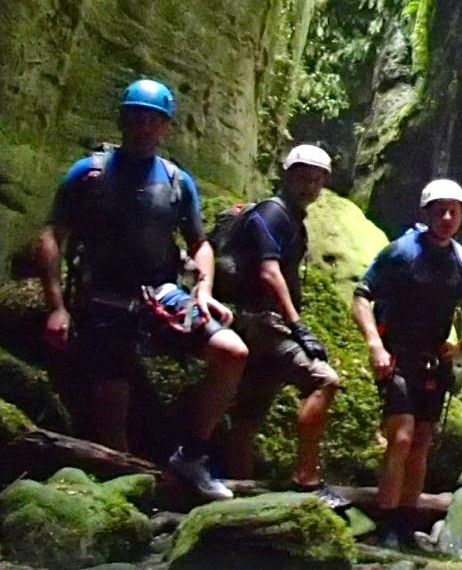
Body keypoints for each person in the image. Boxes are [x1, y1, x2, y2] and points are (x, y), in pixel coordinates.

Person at [33, 79, 248, 500]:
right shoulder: (89, 174)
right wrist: (56, 306)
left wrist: (203, 291)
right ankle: (126, 491)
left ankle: (192, 455)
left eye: (153, 120)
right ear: (122, 119)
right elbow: (50, 236)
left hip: (160, 294)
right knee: (113, 403)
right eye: (136, 117)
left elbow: (199, 243)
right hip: (103, 298)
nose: (144, 127)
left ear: (165, 127)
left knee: (231, 351)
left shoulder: (175, 181)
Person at [352, 179, 462, 550]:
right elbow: (362, 296)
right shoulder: (402, 252)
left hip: (434, 363)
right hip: (397, 356)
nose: (447, 218)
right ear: (427, 213)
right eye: (440, 210)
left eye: (454, 211)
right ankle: (386, 521)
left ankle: (405, 521)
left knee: (421, 443)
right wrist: (374, 346)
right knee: (400, 438)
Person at [221, 144, 343, 502]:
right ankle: (306, 478)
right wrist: (297, 326)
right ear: (287, 175)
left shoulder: (290, 217)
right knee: (324, 380)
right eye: (304, 176)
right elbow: (269, 272)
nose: (310, 185)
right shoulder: (273, 214)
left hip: (258, 324)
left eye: (317, 179)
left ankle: (236, 488)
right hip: (261, 324)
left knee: (250, 413)